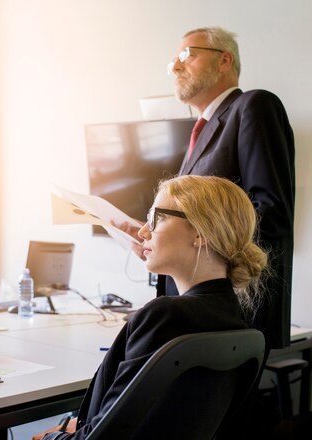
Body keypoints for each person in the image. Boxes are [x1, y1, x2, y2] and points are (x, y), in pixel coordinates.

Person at [34, 175, 268, 439]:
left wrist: (52, 437)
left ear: (201, 233)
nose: (143, 232)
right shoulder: (233, 318)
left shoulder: (164, 316)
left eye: (157, 218)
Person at [122, 27, 295, 350]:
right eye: (173, 60)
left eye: (187, 55)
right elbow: (196, 218)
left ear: (224, 60)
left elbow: (271, 212)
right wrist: (155, 234)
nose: (175, 66)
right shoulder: (199, 134)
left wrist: (196, 233)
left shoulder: (253, 106)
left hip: (232, 310)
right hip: (190, 308)